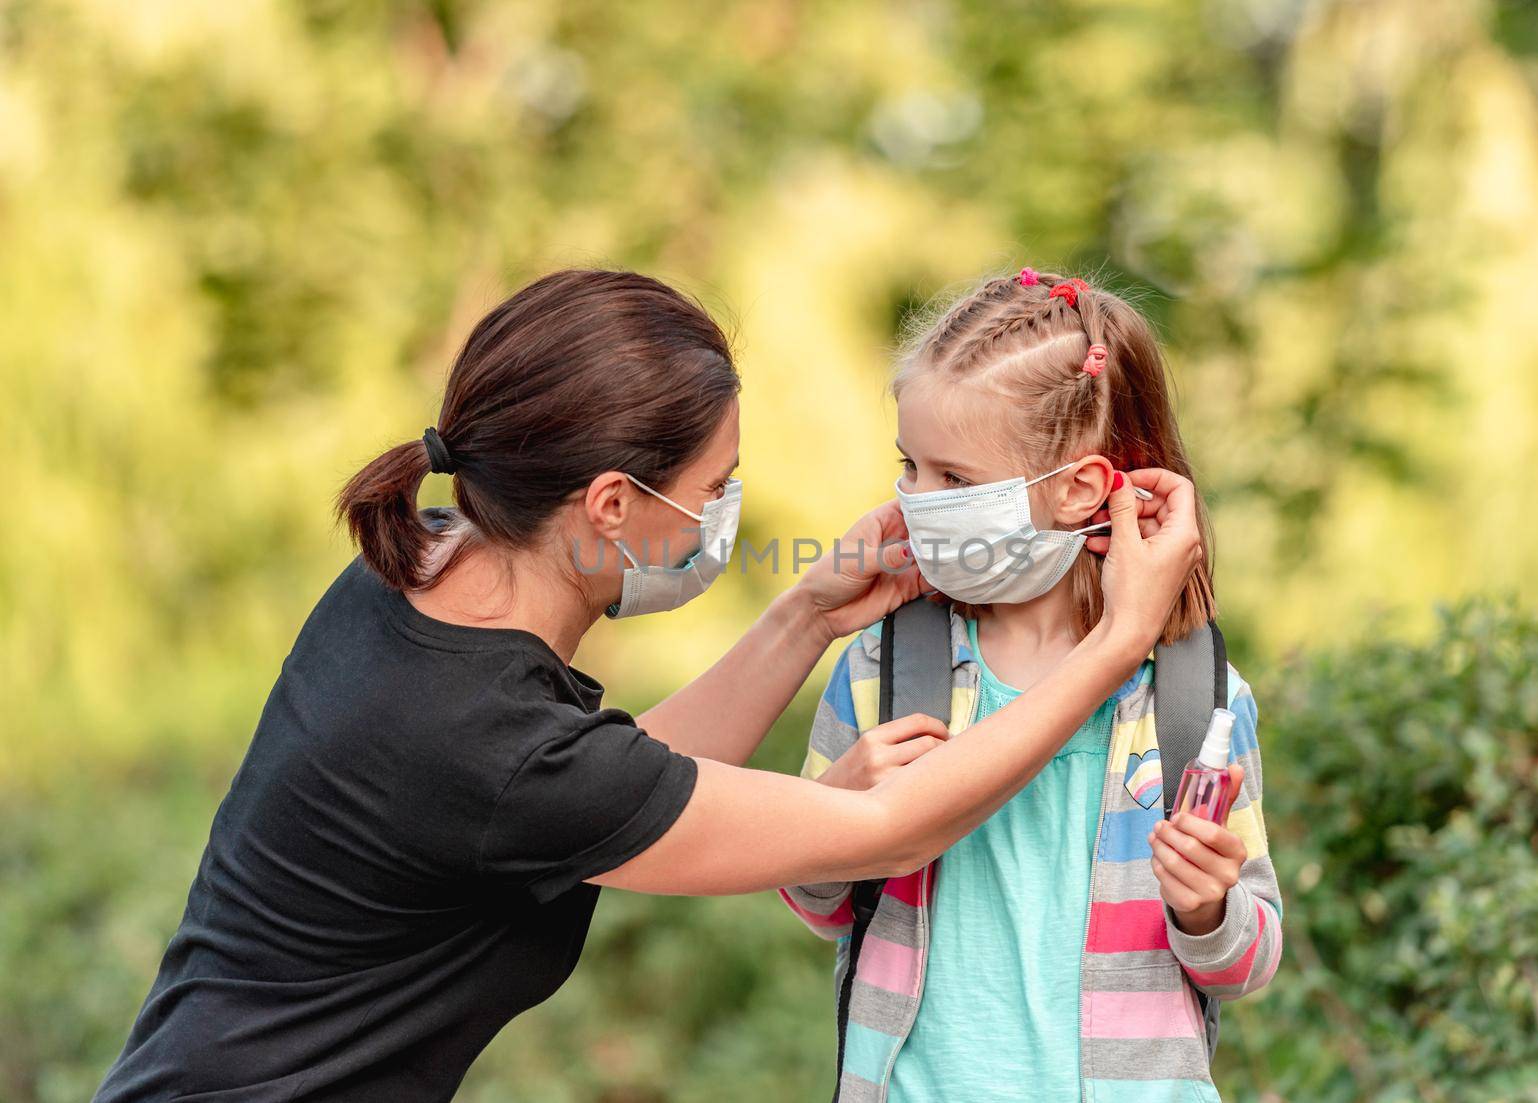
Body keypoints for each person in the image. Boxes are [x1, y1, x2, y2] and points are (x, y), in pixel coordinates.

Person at [94, 268, 1202, 1102]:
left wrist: (804, 612)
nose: (726, 511)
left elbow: (618, 786)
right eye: (714, 485)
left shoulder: (415, 572)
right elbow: (888, 829)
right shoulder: (489, 745)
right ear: (613, 504)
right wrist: (1120, 643)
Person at [780, 269, 1283, 1103]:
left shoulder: (1198, 698)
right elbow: (824, 907)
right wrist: (830, 816)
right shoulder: (886, 667)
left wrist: (1207, 909)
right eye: (910, 466)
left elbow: (1248, 959)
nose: (916, 501)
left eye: (955, 479)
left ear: (1080, 488)